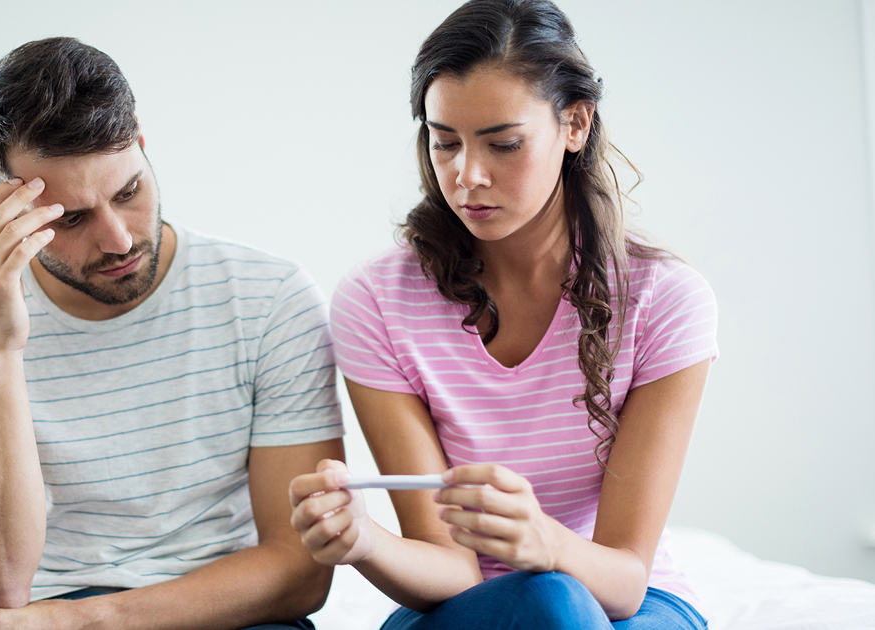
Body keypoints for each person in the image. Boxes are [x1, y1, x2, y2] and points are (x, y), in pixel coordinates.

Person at [289, 1, 716, 628]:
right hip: (462, 607)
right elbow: (451, 567)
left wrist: (548, 544)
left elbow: (625, 581)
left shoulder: (663, 299)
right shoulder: (378, 300)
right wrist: (365, 542)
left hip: (623, 601)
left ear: (575, 124)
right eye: (444, 143)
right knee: (541, 601)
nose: (467, 176)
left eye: (504, 144)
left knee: (556, 599)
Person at [0, 37, 344, 630]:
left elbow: (300, 570)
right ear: (5, 205)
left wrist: (84, 622)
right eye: (72, 219)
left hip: (228, 612)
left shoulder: (269, 297)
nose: (119, 240)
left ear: (139, 141)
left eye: (128, 192)